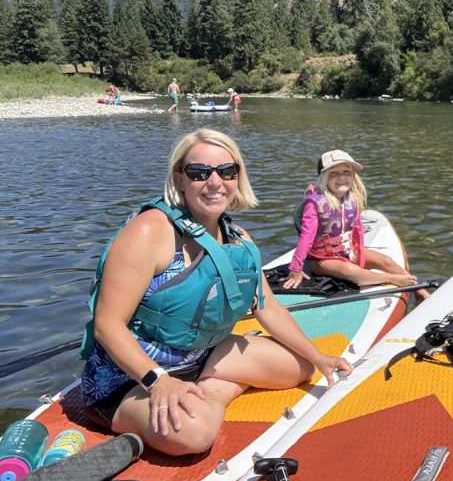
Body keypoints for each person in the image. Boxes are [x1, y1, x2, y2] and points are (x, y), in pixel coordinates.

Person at [79, 129, 352, 456]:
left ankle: (208, 391)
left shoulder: (238, 237)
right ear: (179, 178)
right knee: (194, 435)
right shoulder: (149, 232)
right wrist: (159, 381)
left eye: (227, 171)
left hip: (202, 355)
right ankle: (206, 396)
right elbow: (107, 325)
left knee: (301, 367)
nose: (215, 182)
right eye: (199, 172)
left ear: (238, 177)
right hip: (132, 378)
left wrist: (320, 357)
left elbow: (268, 308)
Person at [283, 149, 424, 296]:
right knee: (350, 270)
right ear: (323, 177)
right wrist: (295, 269)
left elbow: (358, 229)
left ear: (353, 176)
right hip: (322, 261)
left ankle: (420, 290)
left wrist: (360, 252)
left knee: (386, 261)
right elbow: (306, 237)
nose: (341, 177)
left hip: (348, 252)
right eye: (333, 173)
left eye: (346, 172)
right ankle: (391, 279)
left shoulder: (352, 199)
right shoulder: (314, 204)